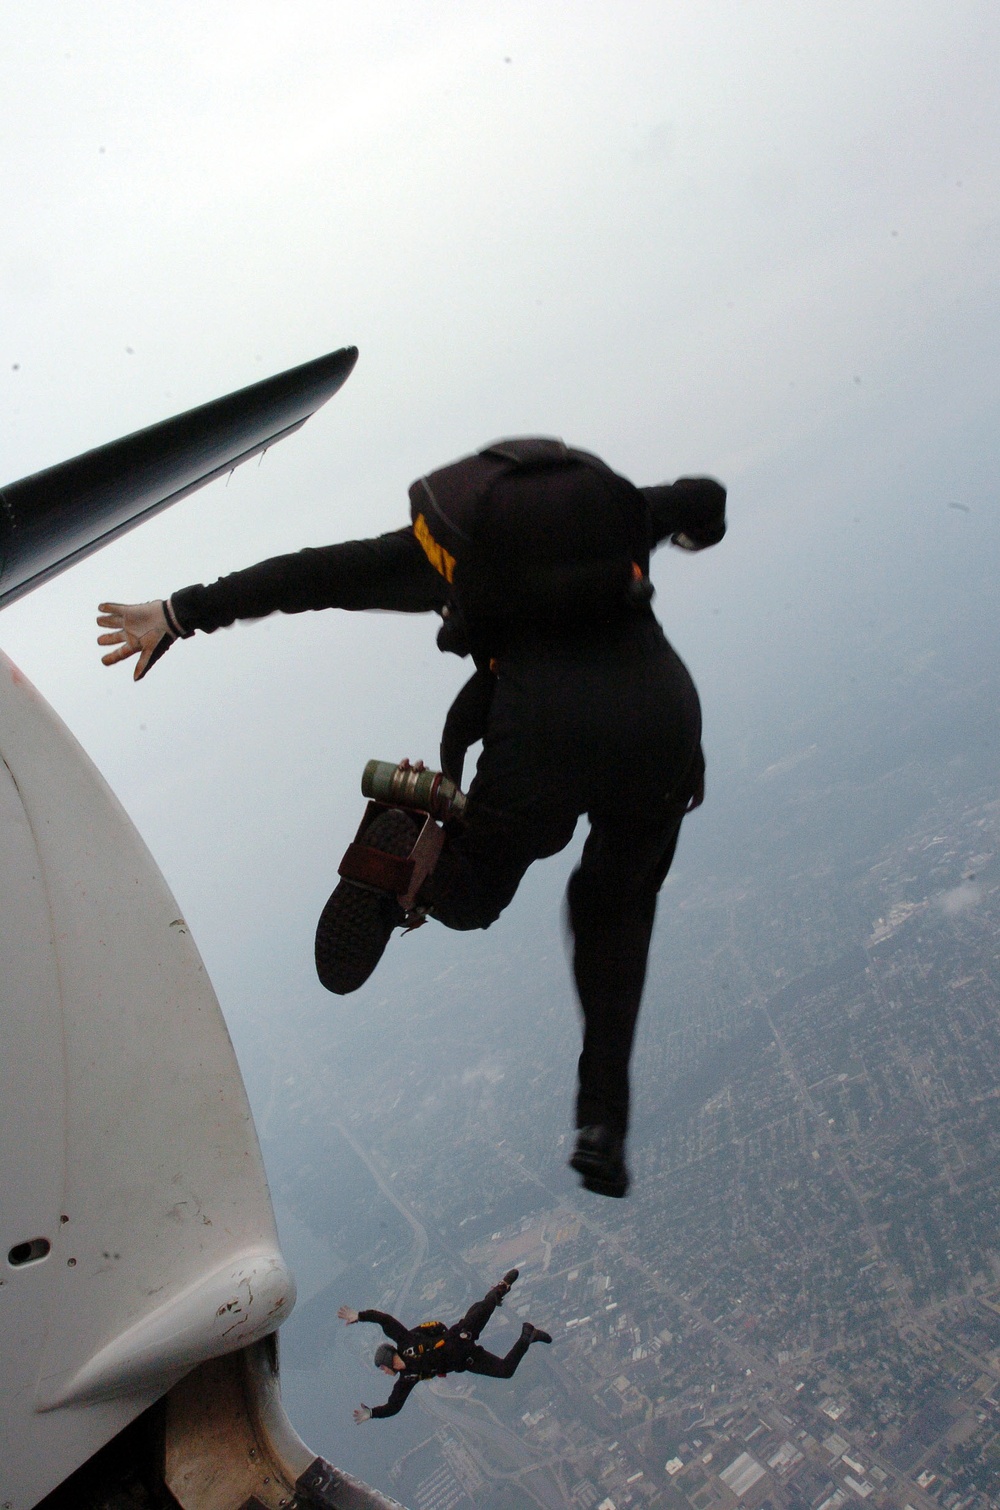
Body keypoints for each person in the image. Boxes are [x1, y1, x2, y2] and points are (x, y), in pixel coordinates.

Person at [97, 438, 726, 1199]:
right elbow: (706, 498)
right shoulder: (614, 517)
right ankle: (602, 1125)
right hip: (662, 718)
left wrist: (179, 613)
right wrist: (698, 532)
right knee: (616, 910)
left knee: (472, 896)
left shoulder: (459, 553)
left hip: (541, 733)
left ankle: (406, 856)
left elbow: (312, 576)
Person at [336, 1268, 550, 1422]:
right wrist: (372, 1413)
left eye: (382, 1367)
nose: (384, 1372)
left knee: (487, 1305)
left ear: (388, 1359)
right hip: (466, 1360)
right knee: (505, 1371)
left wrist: (359, 1316)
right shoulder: (407, 1378)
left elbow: (383, 1319)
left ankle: (502, 1287)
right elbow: (394, 1407)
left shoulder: (404, 1340)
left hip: (461, 1336)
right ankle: (528, 1336)